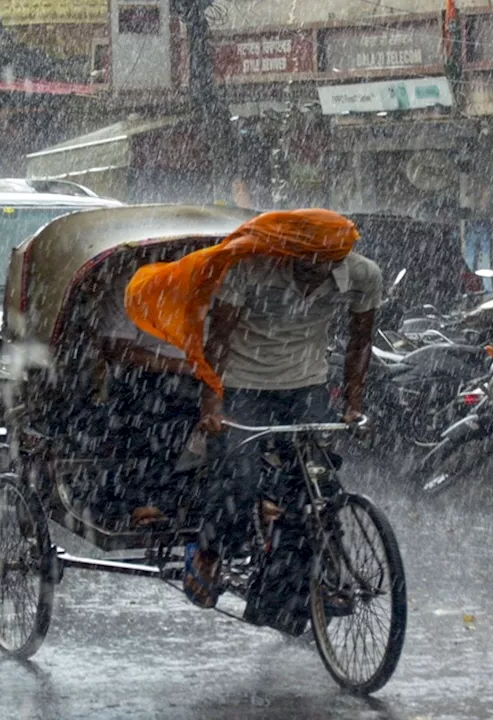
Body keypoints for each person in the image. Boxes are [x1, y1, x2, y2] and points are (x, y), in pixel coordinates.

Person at [125, 209, 380, 609]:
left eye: (325, 264)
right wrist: (212, 402)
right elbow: (220, 339)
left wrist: (353, 405)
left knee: (316, 480)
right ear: (290, 253)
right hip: (243, 382)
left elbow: (360, 343)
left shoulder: (364, 276)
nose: (313, 271)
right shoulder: (250, 269)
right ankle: (210, 552)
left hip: (306, 382)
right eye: (305, 262)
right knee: (238, 476)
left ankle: (311, 575)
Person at [87, 267, 200, 527]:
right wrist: (181, 367)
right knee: (164, 407)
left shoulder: (210, 277)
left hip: (211, 371)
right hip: (149, 376)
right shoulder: (129, 285)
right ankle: (150, 499)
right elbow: (118, 350)